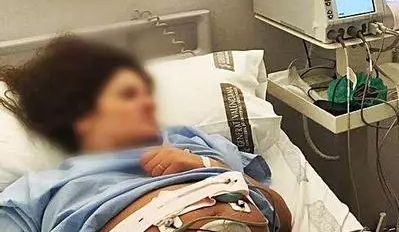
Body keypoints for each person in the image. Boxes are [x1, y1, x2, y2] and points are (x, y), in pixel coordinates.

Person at [0, 36, 293, 232]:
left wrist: (205, 164)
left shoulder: (195, 142)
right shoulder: (40, 188)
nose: (147, 103)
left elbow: (281, 216)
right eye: (127, 95)